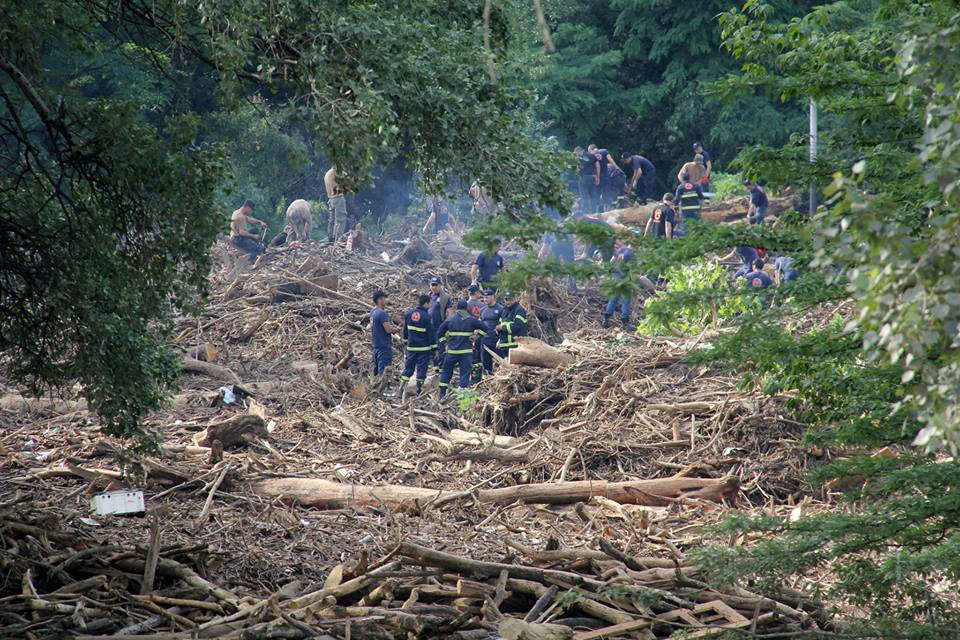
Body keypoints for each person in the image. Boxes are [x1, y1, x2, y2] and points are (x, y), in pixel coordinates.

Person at [436, 300, 487, 398]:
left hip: (452, 352)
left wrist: (444, 343)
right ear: (466, 308)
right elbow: (485, 328)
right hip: (466, 353)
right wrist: (477, 336)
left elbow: (439, 333)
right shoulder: (471, 320)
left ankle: (442, 394)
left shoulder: (450, 319)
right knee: (464, 374)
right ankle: (462, 397)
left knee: (446, 371)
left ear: (456, 308)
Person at [400, 293, 437, 398]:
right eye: (430, 303)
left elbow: (405, 330)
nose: (431, 304)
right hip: (423, 349)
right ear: (426, 303)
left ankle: (401, 389)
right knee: (421, 370)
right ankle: (418, 391)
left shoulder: (409, 314)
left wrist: (406, 341)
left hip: (411, 348)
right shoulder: (427, 317)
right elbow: (430, 334)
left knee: (408, 369)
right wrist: (434, 348)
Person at [370, 290, 399, 393]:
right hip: (384, 345)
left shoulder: (373, 311)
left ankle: (374, 386)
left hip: (376, 345)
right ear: (379, 300)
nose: (385, 301)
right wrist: (397, 329)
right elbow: (388, 329)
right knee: (385, 369)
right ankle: (383, 390)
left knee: (376, 368)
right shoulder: (382, 313)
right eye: (384, 298)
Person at [602, 238, 635, 329]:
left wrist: (610, 275)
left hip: (615, 278)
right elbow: (632, 270)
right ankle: (625, 323)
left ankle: (606, 320)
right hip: (624, 279)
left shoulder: (620, 250)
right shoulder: (632, 254)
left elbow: (611, 262)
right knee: (626, 301)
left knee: (613, 299)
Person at [479, 288, 505, 375]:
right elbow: (480, 324)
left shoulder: (501, 309)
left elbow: (504, 324)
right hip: (485, 341)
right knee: (486, 364)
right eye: (484, 297)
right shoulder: (482, 310)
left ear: (493, 297)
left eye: (487, 297)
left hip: (497, 341)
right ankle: (487, 381)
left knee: (501, 362)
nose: (485, 299)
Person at [324, 164, 348, 241]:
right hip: (338, 198)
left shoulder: (327, 174)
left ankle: (330, 238)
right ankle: (337, 239)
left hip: (331, 199)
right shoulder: (335, 173)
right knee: (340, 219)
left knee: (332, 220)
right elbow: (338, 188)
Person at [577, 146, 600, 214]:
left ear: (578, 152)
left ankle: (586, 213)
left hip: (583, 178)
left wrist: (578, 173)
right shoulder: (592, 156)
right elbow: (598, 166)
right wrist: (598, 177)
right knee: (593, 195)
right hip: (592, 177)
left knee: (584, 196)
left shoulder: (579, 157)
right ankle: (594, 212)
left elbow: (577, 169)